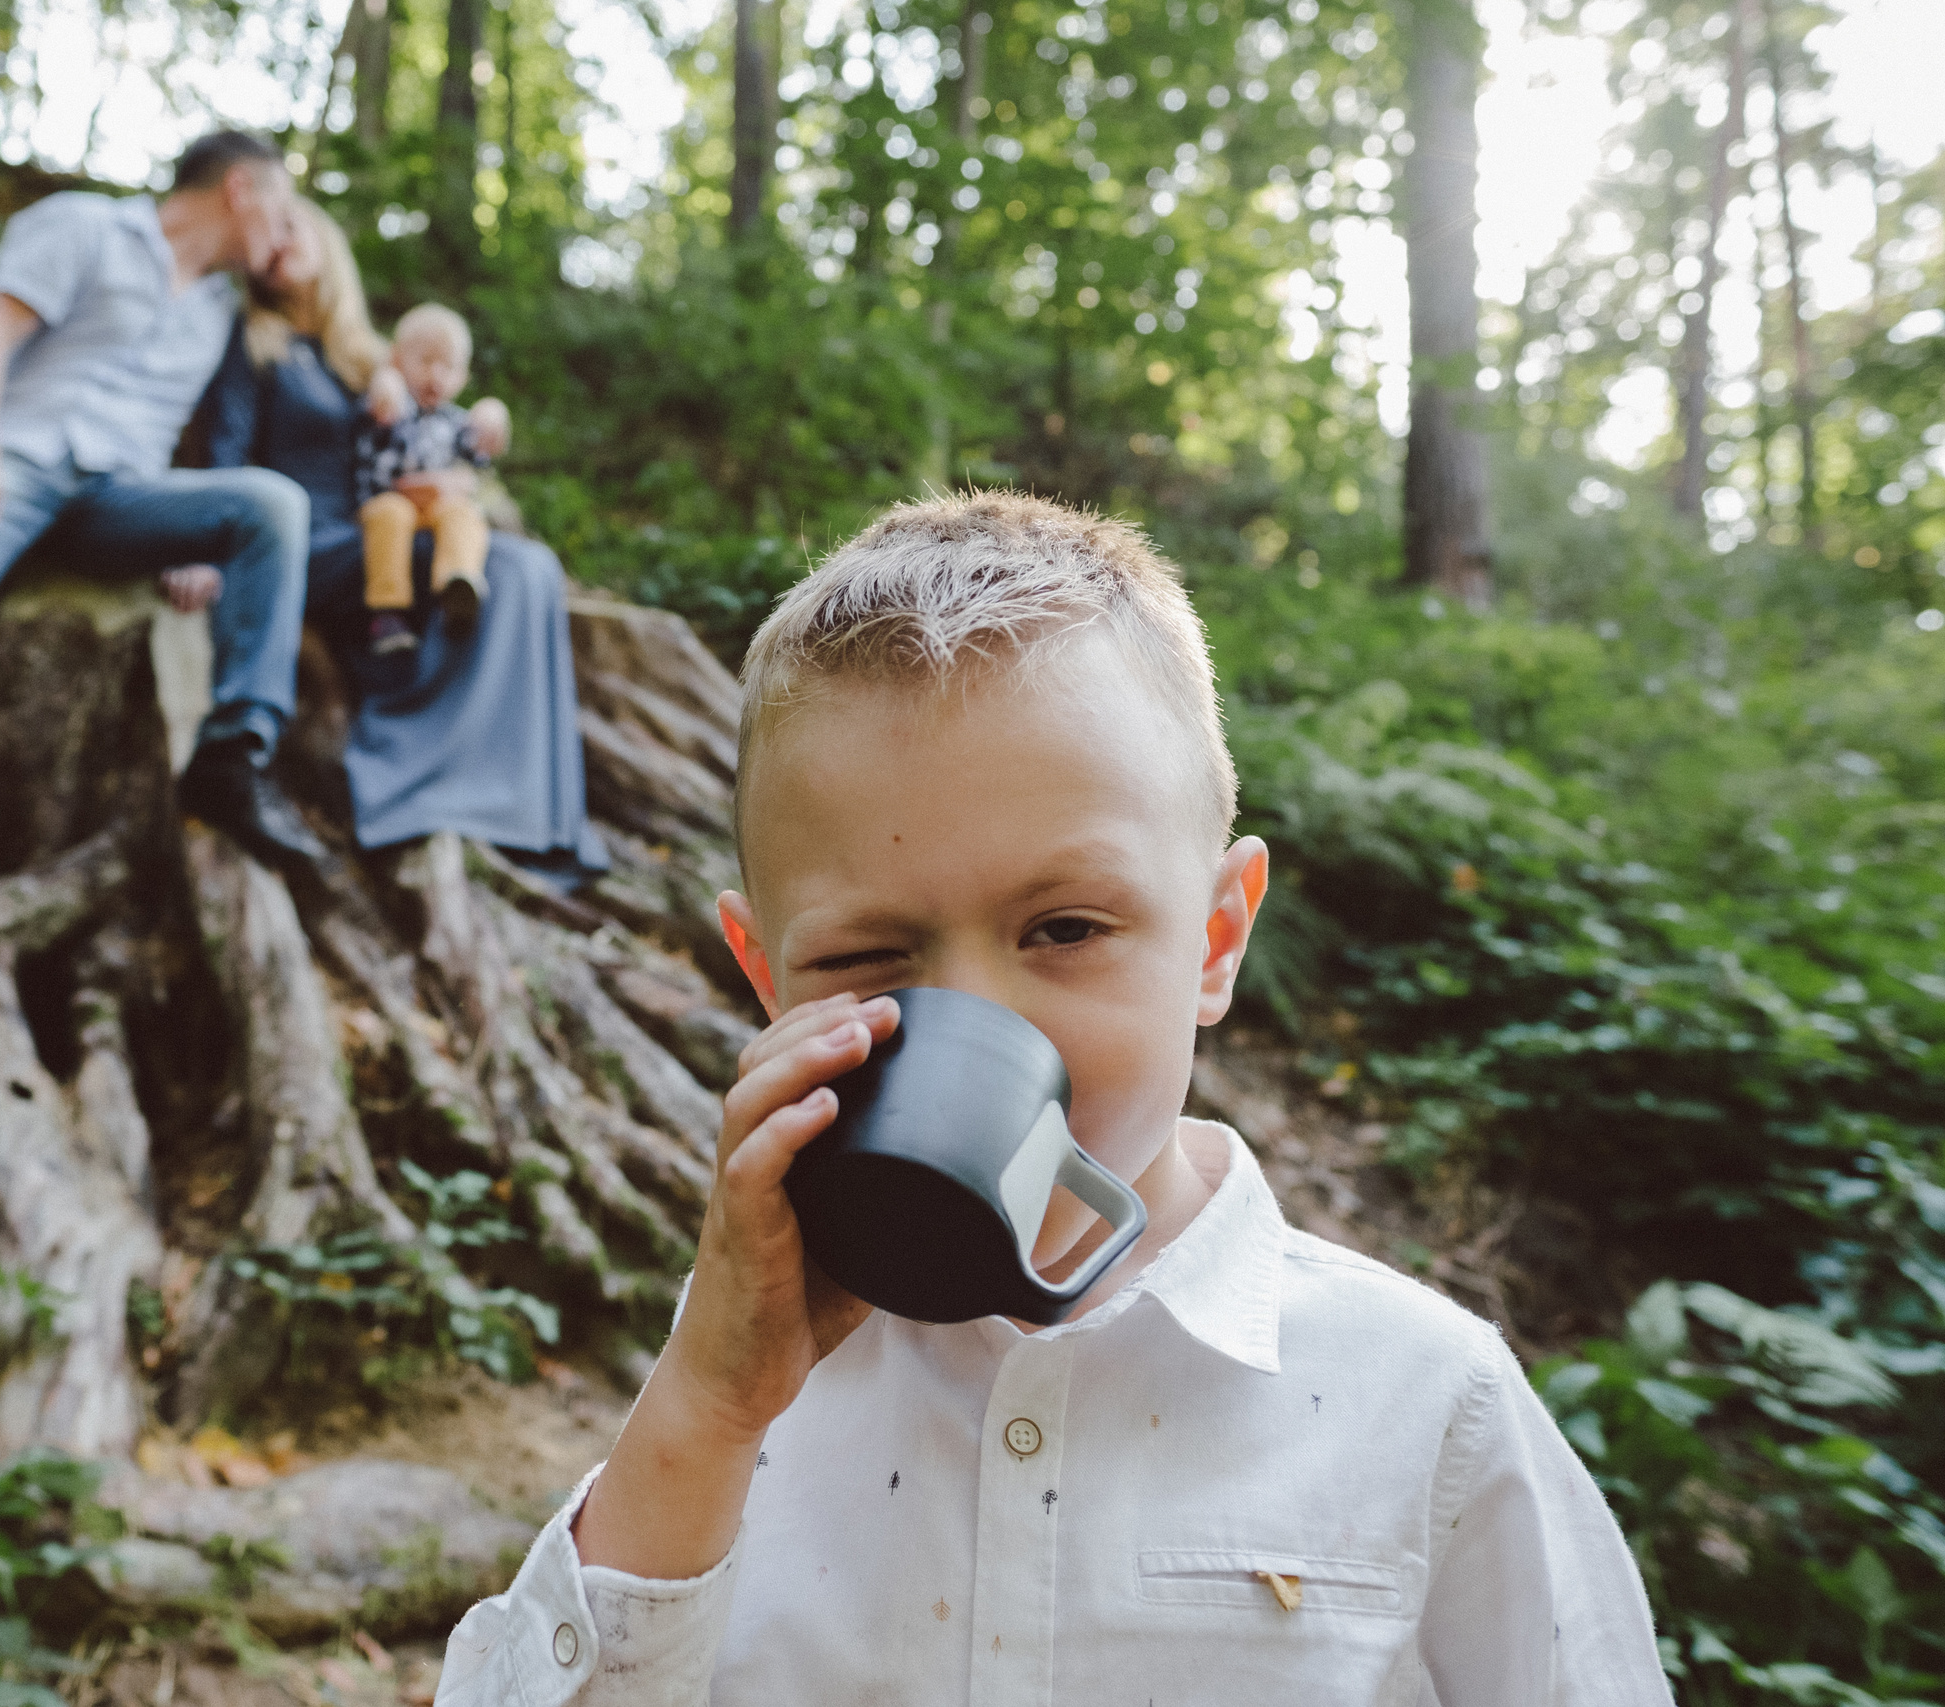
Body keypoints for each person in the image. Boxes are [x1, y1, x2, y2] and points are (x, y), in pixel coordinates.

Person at [437, 492, 1671, 1704]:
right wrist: (703, 1411)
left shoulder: (1423, 1404)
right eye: (866, 958)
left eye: (1065, 927)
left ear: (1214, 937)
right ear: (768, 980)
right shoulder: (726, 1416)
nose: (984, 1021)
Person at [0, 129, 325, 921]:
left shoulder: (220, 309)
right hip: (11, 465)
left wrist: (195, 543)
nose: (286, 232)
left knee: (275, 505)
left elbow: (313, 330)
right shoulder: (86, 226)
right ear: (239, 188)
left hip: (120, 496)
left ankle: (235, 758)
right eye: (281, 209)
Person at [189, 204, 608, 877]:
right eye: (264, 235)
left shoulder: (371, 354)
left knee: (528, 568)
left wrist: (453, 479)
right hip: (311, 538)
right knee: (495, 566)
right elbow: (226, 455)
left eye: (290, 226)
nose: (275, 242)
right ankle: (411, 782)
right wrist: (202, 546)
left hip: (386, 525)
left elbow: (445, 429)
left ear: (327, 239)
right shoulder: (253, 343)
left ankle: (527, 804)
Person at [353, 303, 512, 671]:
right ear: (397, 359)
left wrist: (492, 417)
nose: (435, 375)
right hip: (387, 499)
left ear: (463, 376)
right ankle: (388, 612)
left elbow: (480, 452)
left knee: (463, 512)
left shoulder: (454, 421)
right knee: (390, 514)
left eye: (449, 367)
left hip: (432, 508)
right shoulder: (392, 404)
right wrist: (385, 385)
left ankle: (458, 584)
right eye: (425, 361)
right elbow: (374, 415)